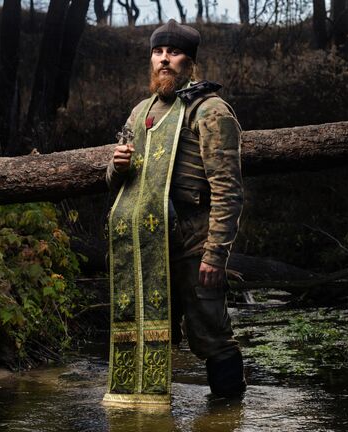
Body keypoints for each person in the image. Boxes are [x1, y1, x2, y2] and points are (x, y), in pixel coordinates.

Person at [105, 19, 245, 399]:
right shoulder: (141, 112)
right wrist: (115, 167)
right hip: (147, 246)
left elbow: (228, 189)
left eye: (173, 52)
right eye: (158, 52)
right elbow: (117, 184)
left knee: (211, 336)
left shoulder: (210, 111)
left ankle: (227, 416)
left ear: (191, 61)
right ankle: (150, 415)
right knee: (147, 333)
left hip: (194, 242)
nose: (164, 60)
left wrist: (216, 255)